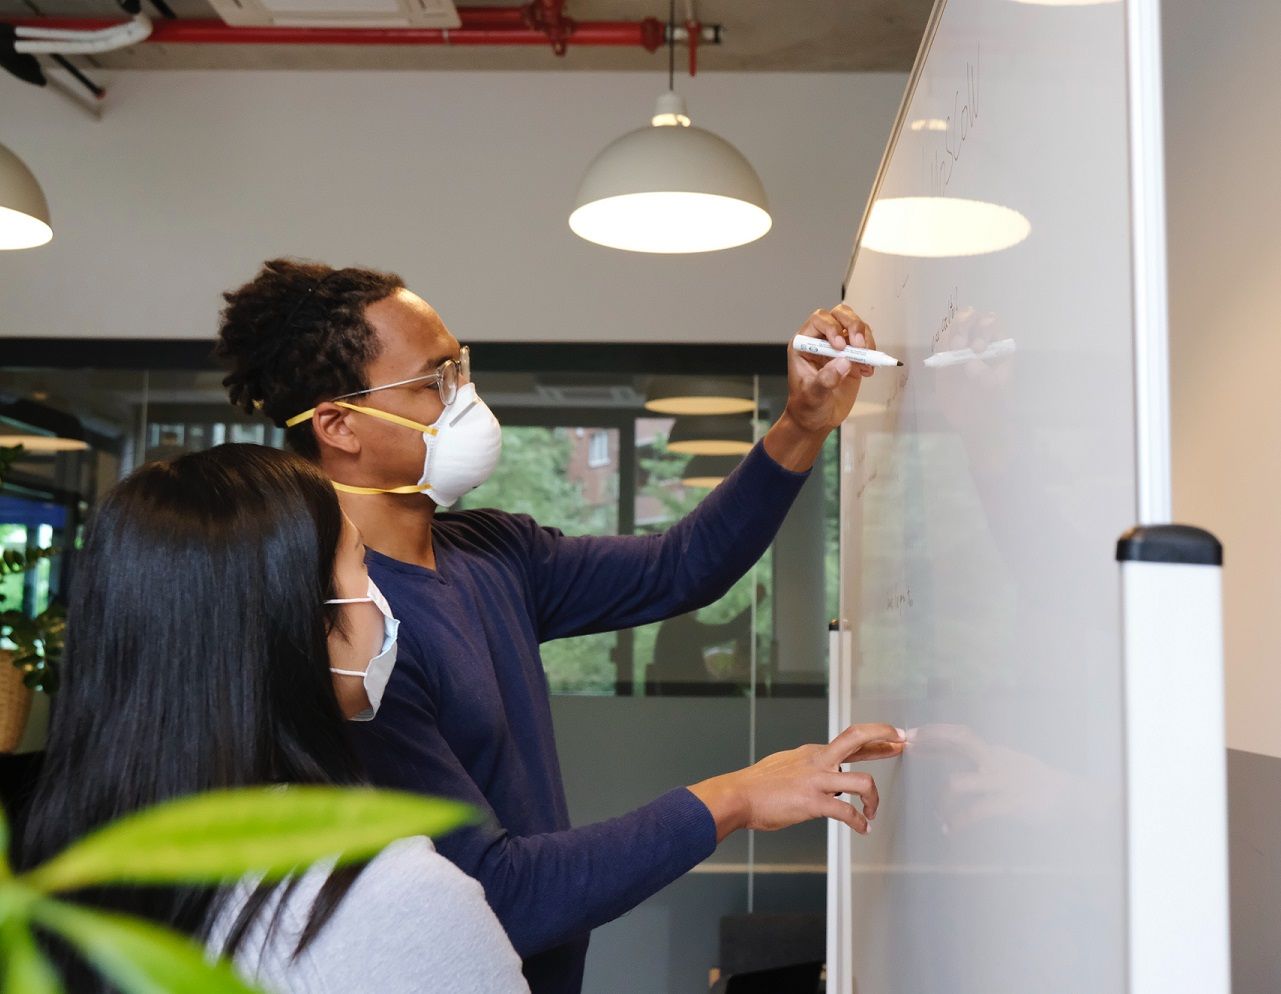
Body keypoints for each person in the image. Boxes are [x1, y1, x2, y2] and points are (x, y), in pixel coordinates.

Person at [216, 259, 906, 994]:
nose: (465, 401)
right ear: (338, 426)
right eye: (431, 383)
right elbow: (494, 897)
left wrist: (802, 423)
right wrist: (734, 796)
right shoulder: (350, 640)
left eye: (461, 369)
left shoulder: (488, 551)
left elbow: (681, 568)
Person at [18, 445, 529, 994]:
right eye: (361, 562)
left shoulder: (43, 876)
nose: (382, 602)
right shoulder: (389, 896)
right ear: (300, 616)